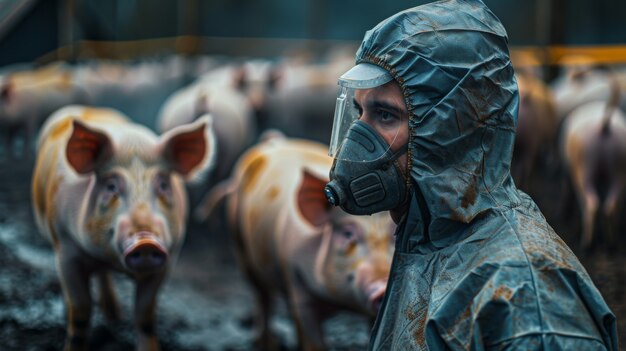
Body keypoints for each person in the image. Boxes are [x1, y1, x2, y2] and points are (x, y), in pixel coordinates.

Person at [323, 0, 619, 349]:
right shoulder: (428, 235)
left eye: (385, 115)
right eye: (360, 112)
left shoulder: (527, 299)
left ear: (449, 130)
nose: (359, 138)